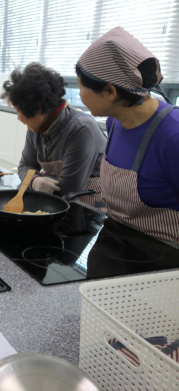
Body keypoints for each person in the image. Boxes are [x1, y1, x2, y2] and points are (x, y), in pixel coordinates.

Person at [76, 26, 179, 244]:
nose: (79, 94)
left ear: (110, 92)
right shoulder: (115, 122)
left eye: (81, 86)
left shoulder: (173, 138)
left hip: (162, 265)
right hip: (114, 245)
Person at [2, 63, 106, 207]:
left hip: (88, 208)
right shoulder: (37, 127)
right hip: (56, 204)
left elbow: (68, 188)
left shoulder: (81, 129)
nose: (19, 117)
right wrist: (34, 181)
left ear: (38, 108)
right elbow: (25, 165)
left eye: (19, 110)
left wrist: (37, 178)